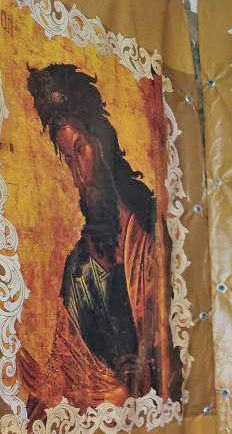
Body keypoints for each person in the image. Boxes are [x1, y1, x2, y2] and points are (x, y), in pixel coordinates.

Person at [20, 65, 180, 414]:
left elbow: (176, 357)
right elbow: (67, 365)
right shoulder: (78, 269)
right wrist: (49, 386)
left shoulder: (152, 235)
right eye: (67, 158)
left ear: (101, 143)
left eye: (80, 150)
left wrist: (128, 387)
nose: (78, 173)